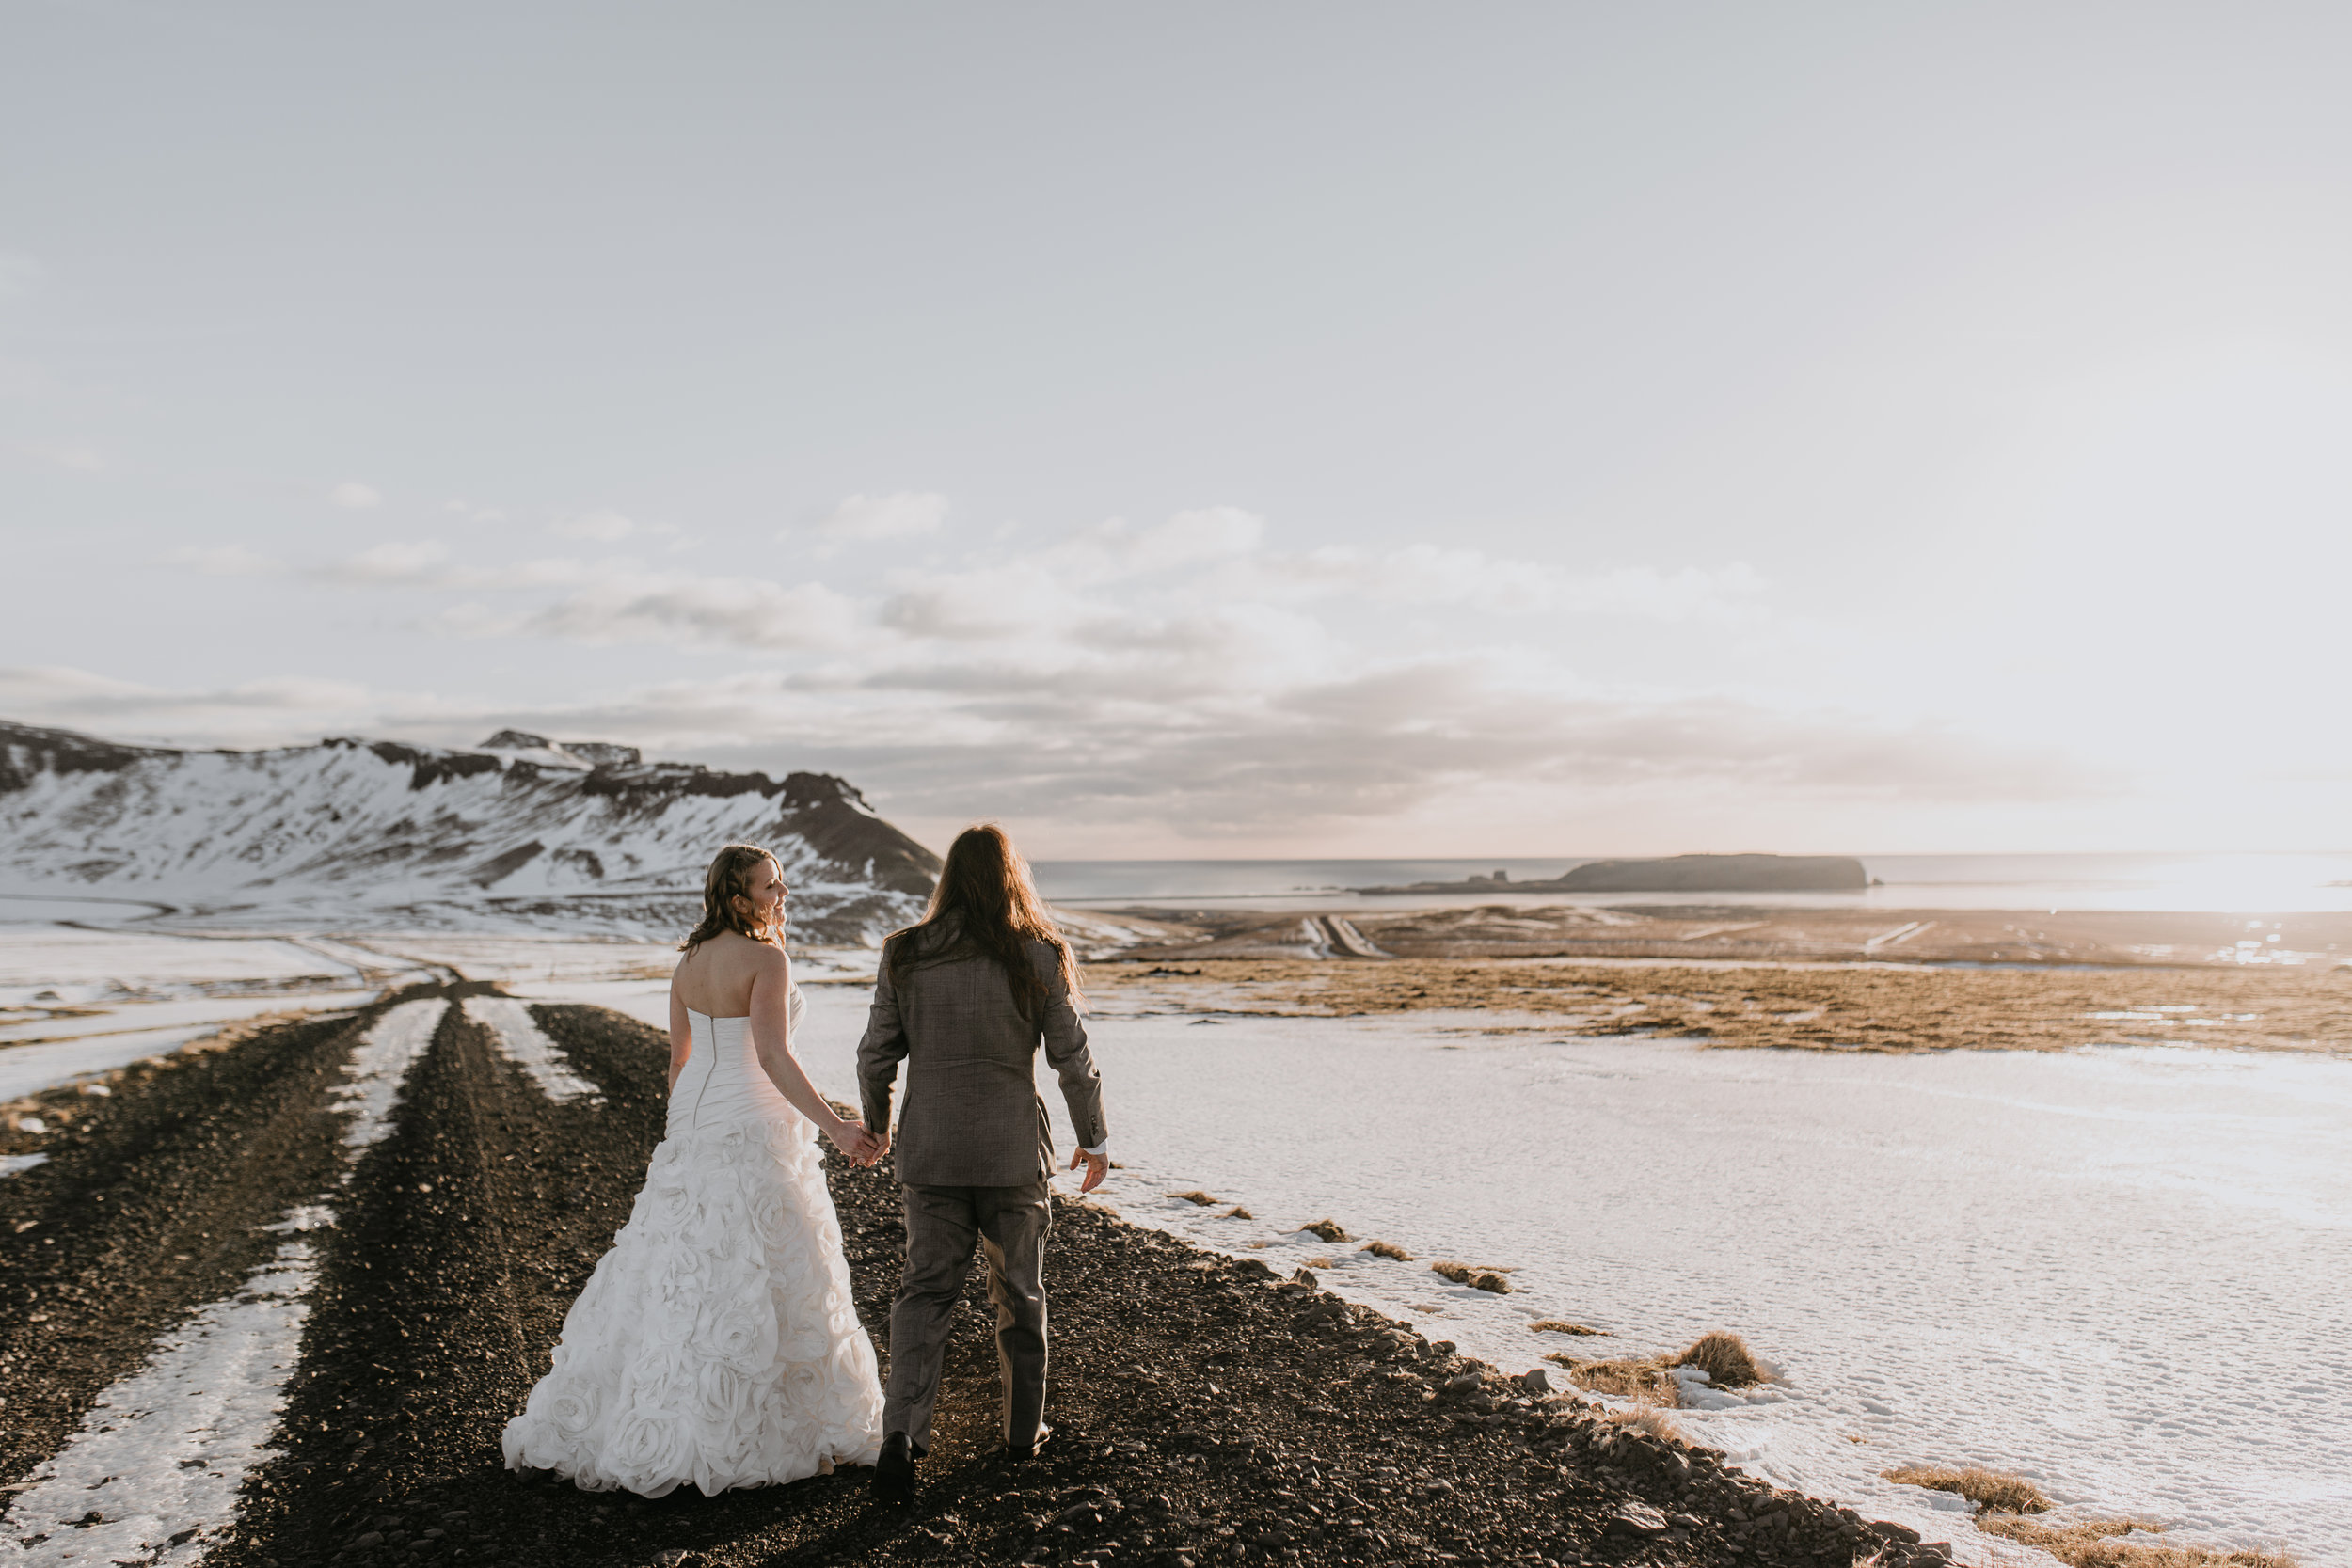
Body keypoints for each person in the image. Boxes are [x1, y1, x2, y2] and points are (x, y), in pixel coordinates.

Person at [502, 843, 886, 1497]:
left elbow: (678, 1064)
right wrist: (839, 1127)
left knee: (678, 1269)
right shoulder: (767, 958)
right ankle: (753, 1426)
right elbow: (773, 1056)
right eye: (771, 885)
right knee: (761, 1269)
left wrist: (686, 1135)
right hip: (755, 1129)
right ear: (740, 898)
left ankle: (650, 1414)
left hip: (696, 1126)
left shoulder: (688, 963)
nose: (782, 893)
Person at [857, 822, 1109, 1504]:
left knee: (924, 1294)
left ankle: (902, 1435)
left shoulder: (904, 953)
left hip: (931, 1151)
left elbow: (875, 1052)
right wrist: (1095, 1136)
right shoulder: (1039, 954)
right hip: (1011, 1156)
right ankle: (1023, 1434)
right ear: (1011, 877)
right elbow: (1072, 1057)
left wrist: (878, 1125)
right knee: (1020, 1294)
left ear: (946, 879)